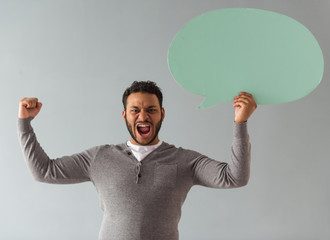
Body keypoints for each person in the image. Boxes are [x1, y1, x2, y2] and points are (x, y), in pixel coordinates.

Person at [18, 81, 257, 240]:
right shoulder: (99, 158)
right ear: (125, 115)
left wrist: (240, 123)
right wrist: (25, 124)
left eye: (151, 110)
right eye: (135, 110)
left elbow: (234, 177)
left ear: (162, 114)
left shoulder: (185, 161)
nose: (143, 115)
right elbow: (44, 171)